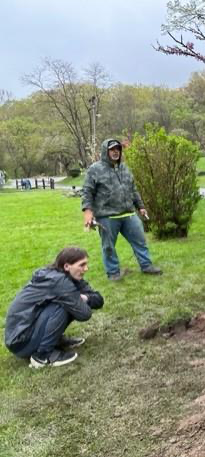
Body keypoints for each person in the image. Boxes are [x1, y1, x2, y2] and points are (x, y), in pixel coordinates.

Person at [4, 247, 104, 368]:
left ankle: (54, 341)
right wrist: (78, 298)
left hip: (25, 334)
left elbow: (99, 300)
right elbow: (85, 314)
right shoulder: (59, 281)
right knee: (64, 304)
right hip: (21, 342)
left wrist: (85, 298)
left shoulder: (68, 278)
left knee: (69, 301)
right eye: (82, 265)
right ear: (67, 266)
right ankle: (42, 356)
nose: (86, 268)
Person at [82, 139, 162, 281]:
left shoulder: (125, 168)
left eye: (118, 149)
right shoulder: (95, 169)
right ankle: (113, 273)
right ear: (105, 151)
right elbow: (87, 191)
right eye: (112, 149)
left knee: (140, 241)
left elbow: (133, 189)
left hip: (129, 214)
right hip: (107, 217)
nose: (115, 151)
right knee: (109, 247)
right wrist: (88, 212)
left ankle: (146, 265)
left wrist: (141, 206)